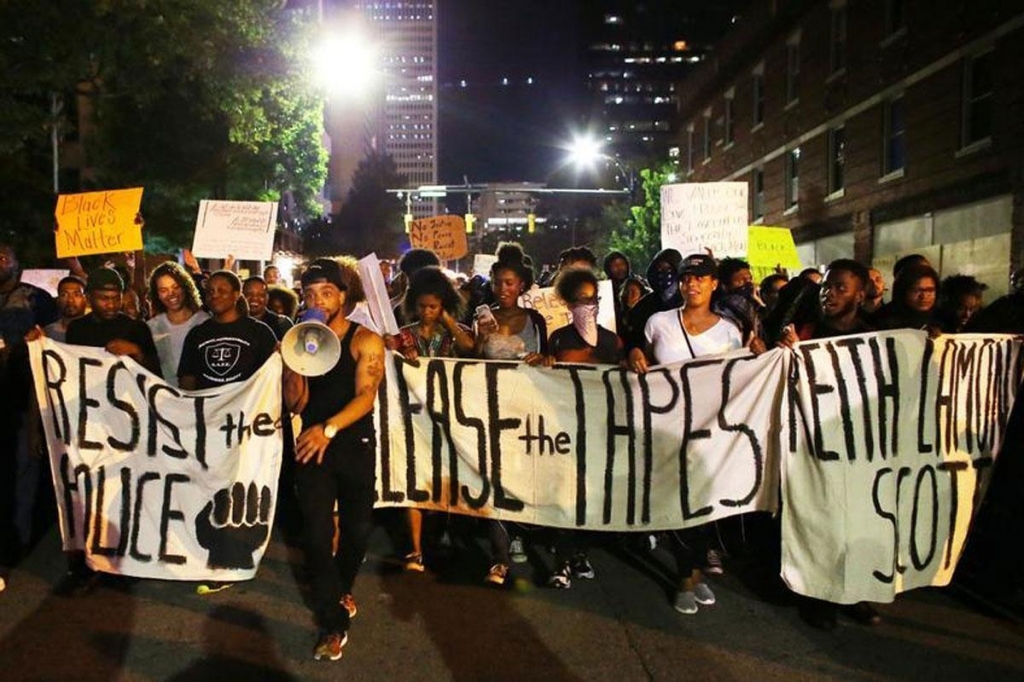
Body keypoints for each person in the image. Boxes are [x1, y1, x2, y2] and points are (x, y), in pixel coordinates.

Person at [283, 257, 385, 662]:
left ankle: (341, 588)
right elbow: (296, 403)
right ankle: (332, 622)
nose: (318, 300)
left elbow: (366, 396)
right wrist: (296, 362)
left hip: (350, 439)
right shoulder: (300, 338)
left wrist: (328, 428)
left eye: (326, 293)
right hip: (311, 443)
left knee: (358, 529)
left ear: (343, 296)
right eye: (309, 294)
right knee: (316, 532)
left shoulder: (365, 339)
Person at [630, 253, 743, 615]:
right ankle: (685, 577)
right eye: (686, 278)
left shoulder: (729, 331)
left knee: (705, 503)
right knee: (676, 500)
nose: (692, 283)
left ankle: (695, 569)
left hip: (711, 431)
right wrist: (633, 354)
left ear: (714, 284)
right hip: (667, 428)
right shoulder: (658, 322)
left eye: (700, 277)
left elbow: (740, 379)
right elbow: (640, 361)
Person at [779, 259, 883, 630]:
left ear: (861, 293)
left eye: (840, 287)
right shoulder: (805, 333)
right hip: (812, 446)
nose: (830, 293)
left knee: (855, 523)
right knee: (818, 521)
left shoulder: (874, 338)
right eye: (826, 286)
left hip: (857, 449)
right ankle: (818, 596)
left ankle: (853, 592)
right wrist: (785, 353)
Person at [56, 267, 160, 594]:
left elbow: (155, 376)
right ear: (90, 298)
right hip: (91, 424)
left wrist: (135, 352)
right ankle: (91, 560)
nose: (112, 304)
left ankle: (126, 561)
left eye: (116, 298)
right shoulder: (77, 330)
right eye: (104, 298)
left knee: (126, 492)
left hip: (127, 425)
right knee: (92, 493)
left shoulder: (136, 328)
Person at [386, 266, 474, 573]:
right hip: (411, 419)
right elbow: (389, 353)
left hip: (446, 418)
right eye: (422, 306)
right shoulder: (405, 334)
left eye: (433, 307)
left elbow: (469, 348)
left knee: (445, 478)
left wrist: (448, 320)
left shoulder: (453, 333)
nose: (427, 312)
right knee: (412, 477)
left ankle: (444, 533)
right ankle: (415, 549)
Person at [474, 243, 550, 586]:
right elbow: (469, 364)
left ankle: (520, 533)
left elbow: (550, 360)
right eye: (497, 283)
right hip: (492, 410)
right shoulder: (482, 316)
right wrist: (481, 340)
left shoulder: (535, 320)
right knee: (494, 479)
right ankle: (500, 556)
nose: (503, 290)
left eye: (510, 283)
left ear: (522, 285)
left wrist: (543, 360)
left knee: (525, 477)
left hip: (529, 411)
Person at [545, 267, 622, 588]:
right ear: (568, 303)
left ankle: (581, 553)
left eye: (593, 300)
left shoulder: (612, 341)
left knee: (590, 494)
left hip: (599, 429)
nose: (588, 306)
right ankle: (562, 560)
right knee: (564, 492)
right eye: (581, 300)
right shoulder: (558, 338)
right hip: (564, 429)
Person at [0, 242, 58, 592]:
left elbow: (59, 341)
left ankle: (18, 542)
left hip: (24, 402)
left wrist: (41, 340)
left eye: (3, 255)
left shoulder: (36, 299)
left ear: (17, 262)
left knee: (22, 470)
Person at [177, 271, 277, 392]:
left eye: (222, 291)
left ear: (236, 294)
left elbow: (271, 378)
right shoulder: (196, 334)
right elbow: (187, 380)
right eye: (210, 292)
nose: (215, 296)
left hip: (246, 408)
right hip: (208, 408)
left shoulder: (259, 332)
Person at [147, 261, 209, 386]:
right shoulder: (151, 327)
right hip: (162, 399)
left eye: (176, 287)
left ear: (186, 287)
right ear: (157, 294)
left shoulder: (205, 322)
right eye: (164, 290)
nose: (171, 294)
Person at [623, 249, 684, 364]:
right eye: (659, 269)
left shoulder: (690, 301)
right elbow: (633, 339)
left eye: (668, 269)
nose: (663, 273)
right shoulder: (643, 306)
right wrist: (634, 351)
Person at [874, 263, 939, 331]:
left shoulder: (943, 320)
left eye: (930, 290)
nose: (924, 296)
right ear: (902, 291)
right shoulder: (881, 320)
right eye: (916, 291)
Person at [243, 276, 294, 341]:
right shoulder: (232, 321)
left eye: (260, 295)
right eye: (249, 294)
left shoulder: (281, 324)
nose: (254, 298)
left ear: (267, 298)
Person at [44, 275, 88, 342]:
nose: (70, 300)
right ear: (58, 300)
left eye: (76, 295)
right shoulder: (48, 332)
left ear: (86, 299)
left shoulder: (97, 331)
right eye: (64, 295)